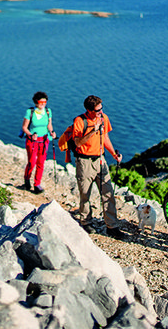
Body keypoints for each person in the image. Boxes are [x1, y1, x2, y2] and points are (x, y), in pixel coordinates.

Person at [72, 95, 126, 239]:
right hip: (84, 162)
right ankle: (86, 222)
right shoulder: (79, 121)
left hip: (100, 160)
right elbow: (77, 142)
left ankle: (112, 226)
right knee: (85, 194)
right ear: (89, 110)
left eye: (101, 108)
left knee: (108, 192)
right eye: (97, 110)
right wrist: (92, 131)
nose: (100, 112)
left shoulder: (103, 118)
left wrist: (114, 154)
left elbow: (106, 137)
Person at [21, 91, 56, 194]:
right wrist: (31, 135)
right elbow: (24, 127)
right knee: (32, 162)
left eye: (45, 102)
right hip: (32, 141)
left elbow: (49, 124)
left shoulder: (48, 111)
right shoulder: (30, 112)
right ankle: (27, 180)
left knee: (41, 162)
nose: (43, 104)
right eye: (41, 102)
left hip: (44, 140)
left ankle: (37, 184)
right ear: (36, 102)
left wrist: (52, 132)